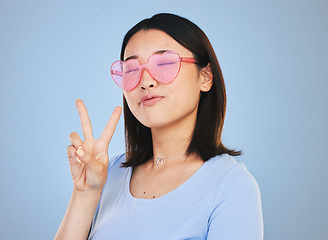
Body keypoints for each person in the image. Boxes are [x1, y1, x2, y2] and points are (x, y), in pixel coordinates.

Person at [55, 13, 263, 240]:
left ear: (205, 76)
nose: (146, 82)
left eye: (164, 63)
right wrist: (85, 192)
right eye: (132, 70)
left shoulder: (231, 184)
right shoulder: (107, 175)